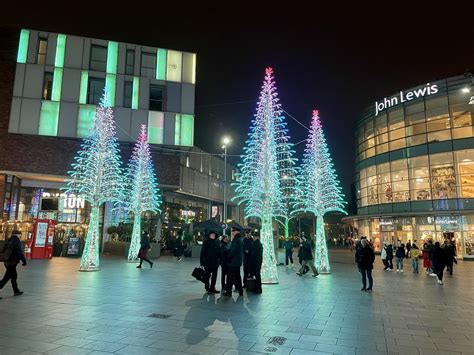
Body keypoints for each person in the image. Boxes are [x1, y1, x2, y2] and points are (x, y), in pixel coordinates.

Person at [0, 231, 27, 298]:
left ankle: (16, 290)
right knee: (6, 278)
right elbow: (19, 252)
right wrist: (24, 261)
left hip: (6, 261)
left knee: (14, 276)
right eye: (20, 236)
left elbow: (2, 250)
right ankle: (15, 291)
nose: (20, 237)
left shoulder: (8, 240)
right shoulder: (16, 241)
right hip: (12, 262)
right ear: (18, 235)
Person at [225, 227, 244, 296]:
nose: (232, 232)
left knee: (230, 277)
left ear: (237, 231)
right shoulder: (241, 239)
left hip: (233, 262)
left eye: (233, 231)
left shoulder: (236, 239)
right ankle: (240, 291)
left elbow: (233, 251)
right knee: (237, 277)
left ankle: (228, 292)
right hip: (237, 262)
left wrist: (228, 257)